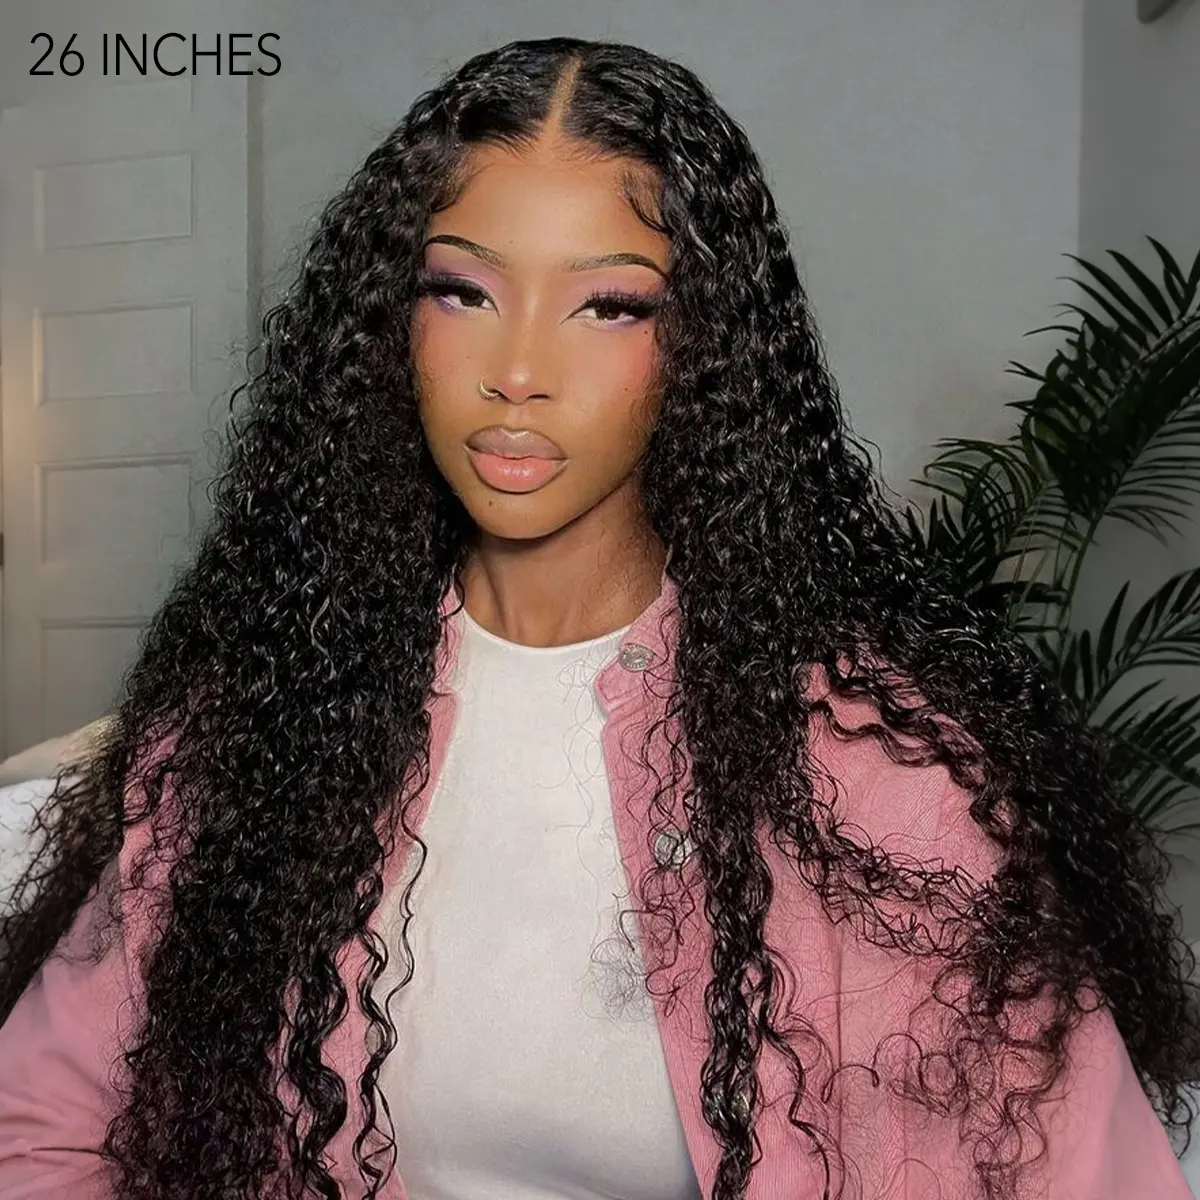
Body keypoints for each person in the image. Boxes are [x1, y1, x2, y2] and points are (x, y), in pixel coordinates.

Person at [0, 35, 1197, 1200]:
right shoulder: (264, 723)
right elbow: (42, 1124)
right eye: (462, 290)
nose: (519, 368)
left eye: (610, 305)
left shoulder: (878, 775)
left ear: (702, 347)